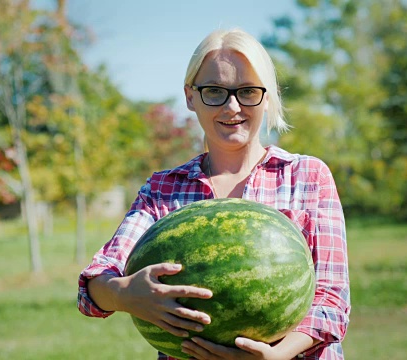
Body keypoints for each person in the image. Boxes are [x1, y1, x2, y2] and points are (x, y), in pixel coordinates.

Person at [77, 28, 350, 360]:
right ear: (191, 96)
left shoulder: (307, 176)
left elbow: (331, 303)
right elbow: (93, 288)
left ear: (268, 96)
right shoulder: (164, 189)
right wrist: (125, 294)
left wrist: (276, 356)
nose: (232, 106)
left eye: (248, 91)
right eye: (214, 91)